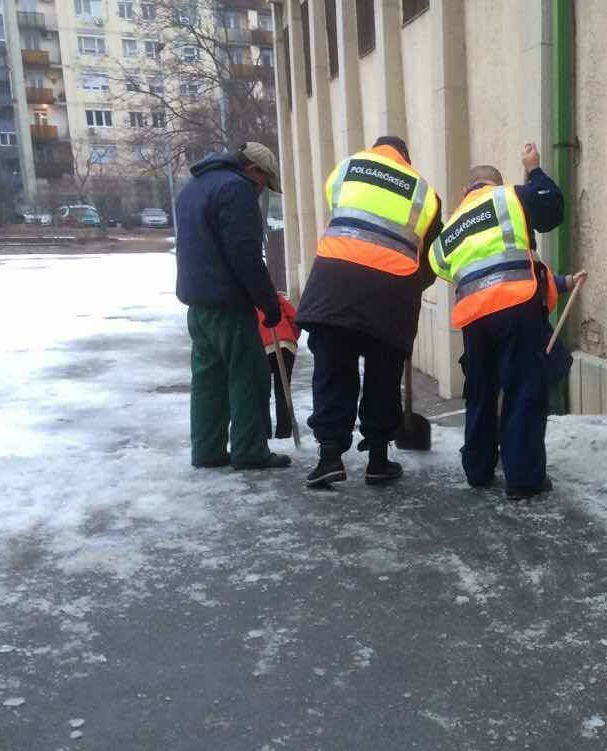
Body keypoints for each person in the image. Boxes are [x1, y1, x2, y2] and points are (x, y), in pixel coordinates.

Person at [295, 135, 442, 488]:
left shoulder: (345, 170)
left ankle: (330, 458)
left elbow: (341, 218)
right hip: (389, 297)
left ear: (375, 151)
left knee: (332, 371)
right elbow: (429, 262)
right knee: (382, 376)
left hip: (332, 288)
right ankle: (378, 459)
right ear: (405, 159)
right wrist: (410, 288)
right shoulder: (425, 193)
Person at [428, 142, 564, 500]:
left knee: (481, 391)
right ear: (496, 184)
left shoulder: (453, 226)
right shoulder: (510, 197)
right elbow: (552, 208)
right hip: (516, 305)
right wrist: (534, 169)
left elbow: (439, 265)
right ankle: (523, 479)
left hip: (474, 315)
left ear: (465, 191)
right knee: (522, 391)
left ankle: (478, 468)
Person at [175, 141, 290, 470]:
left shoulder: (192, 188)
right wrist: (268, 303)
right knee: (249, 376)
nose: (260, 191)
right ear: (253, 170)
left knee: (208, 379)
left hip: (197, 305)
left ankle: (208, 450)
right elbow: (246, 255)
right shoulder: (236, 190)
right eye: (263, 184)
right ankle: (250, 450)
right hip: (228, 305)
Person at [256, 292, 300, 439]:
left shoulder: (249, 301)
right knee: (283, 389)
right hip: (286, 346)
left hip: (263, 348)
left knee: (263, 391)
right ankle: (284, 432)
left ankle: (264, 432)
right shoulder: (277, 297)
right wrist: (292, 337)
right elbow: (294, 318)